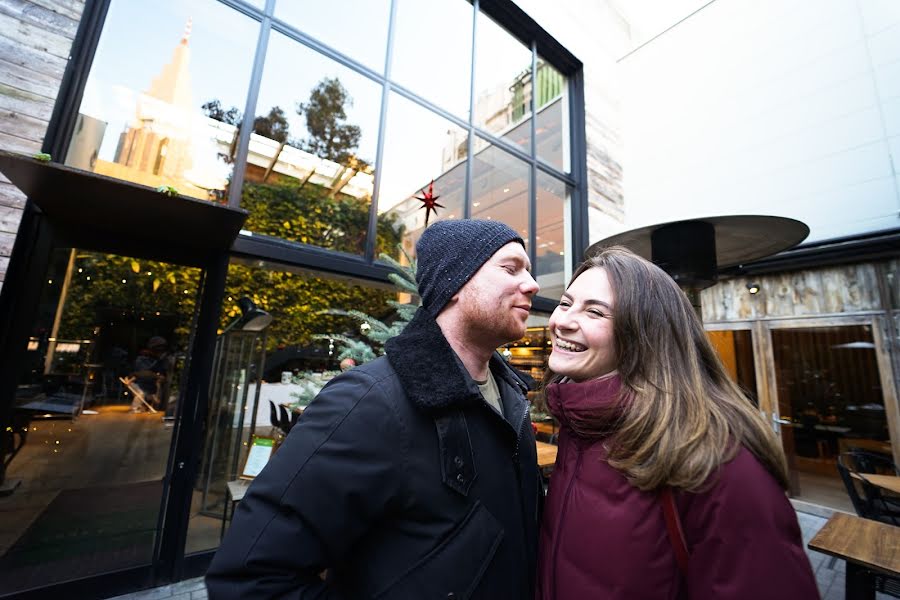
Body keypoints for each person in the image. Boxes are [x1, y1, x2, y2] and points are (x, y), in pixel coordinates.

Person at [207, 219, 543, 599]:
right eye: (511, 268)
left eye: (528, 271)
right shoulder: (368, 402)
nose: (531, 284)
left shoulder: (512, 398)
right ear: (455, 282)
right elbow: (250, 579)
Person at [536, 247, 818, 600]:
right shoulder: (580, 426)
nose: (561, 320)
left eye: (594, 311)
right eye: (565, 303)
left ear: (644, 333)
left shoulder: (717, 460)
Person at [129, 336, 173, 412]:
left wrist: (160, 378)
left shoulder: (159, 360)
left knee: (153, 396)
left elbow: (160, 374)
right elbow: (144, 373)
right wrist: (157, 376)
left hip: (150, 385)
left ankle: (145, 406)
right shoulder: (142, 359)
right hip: (138, 383)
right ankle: (136, 408)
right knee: (141, 394)